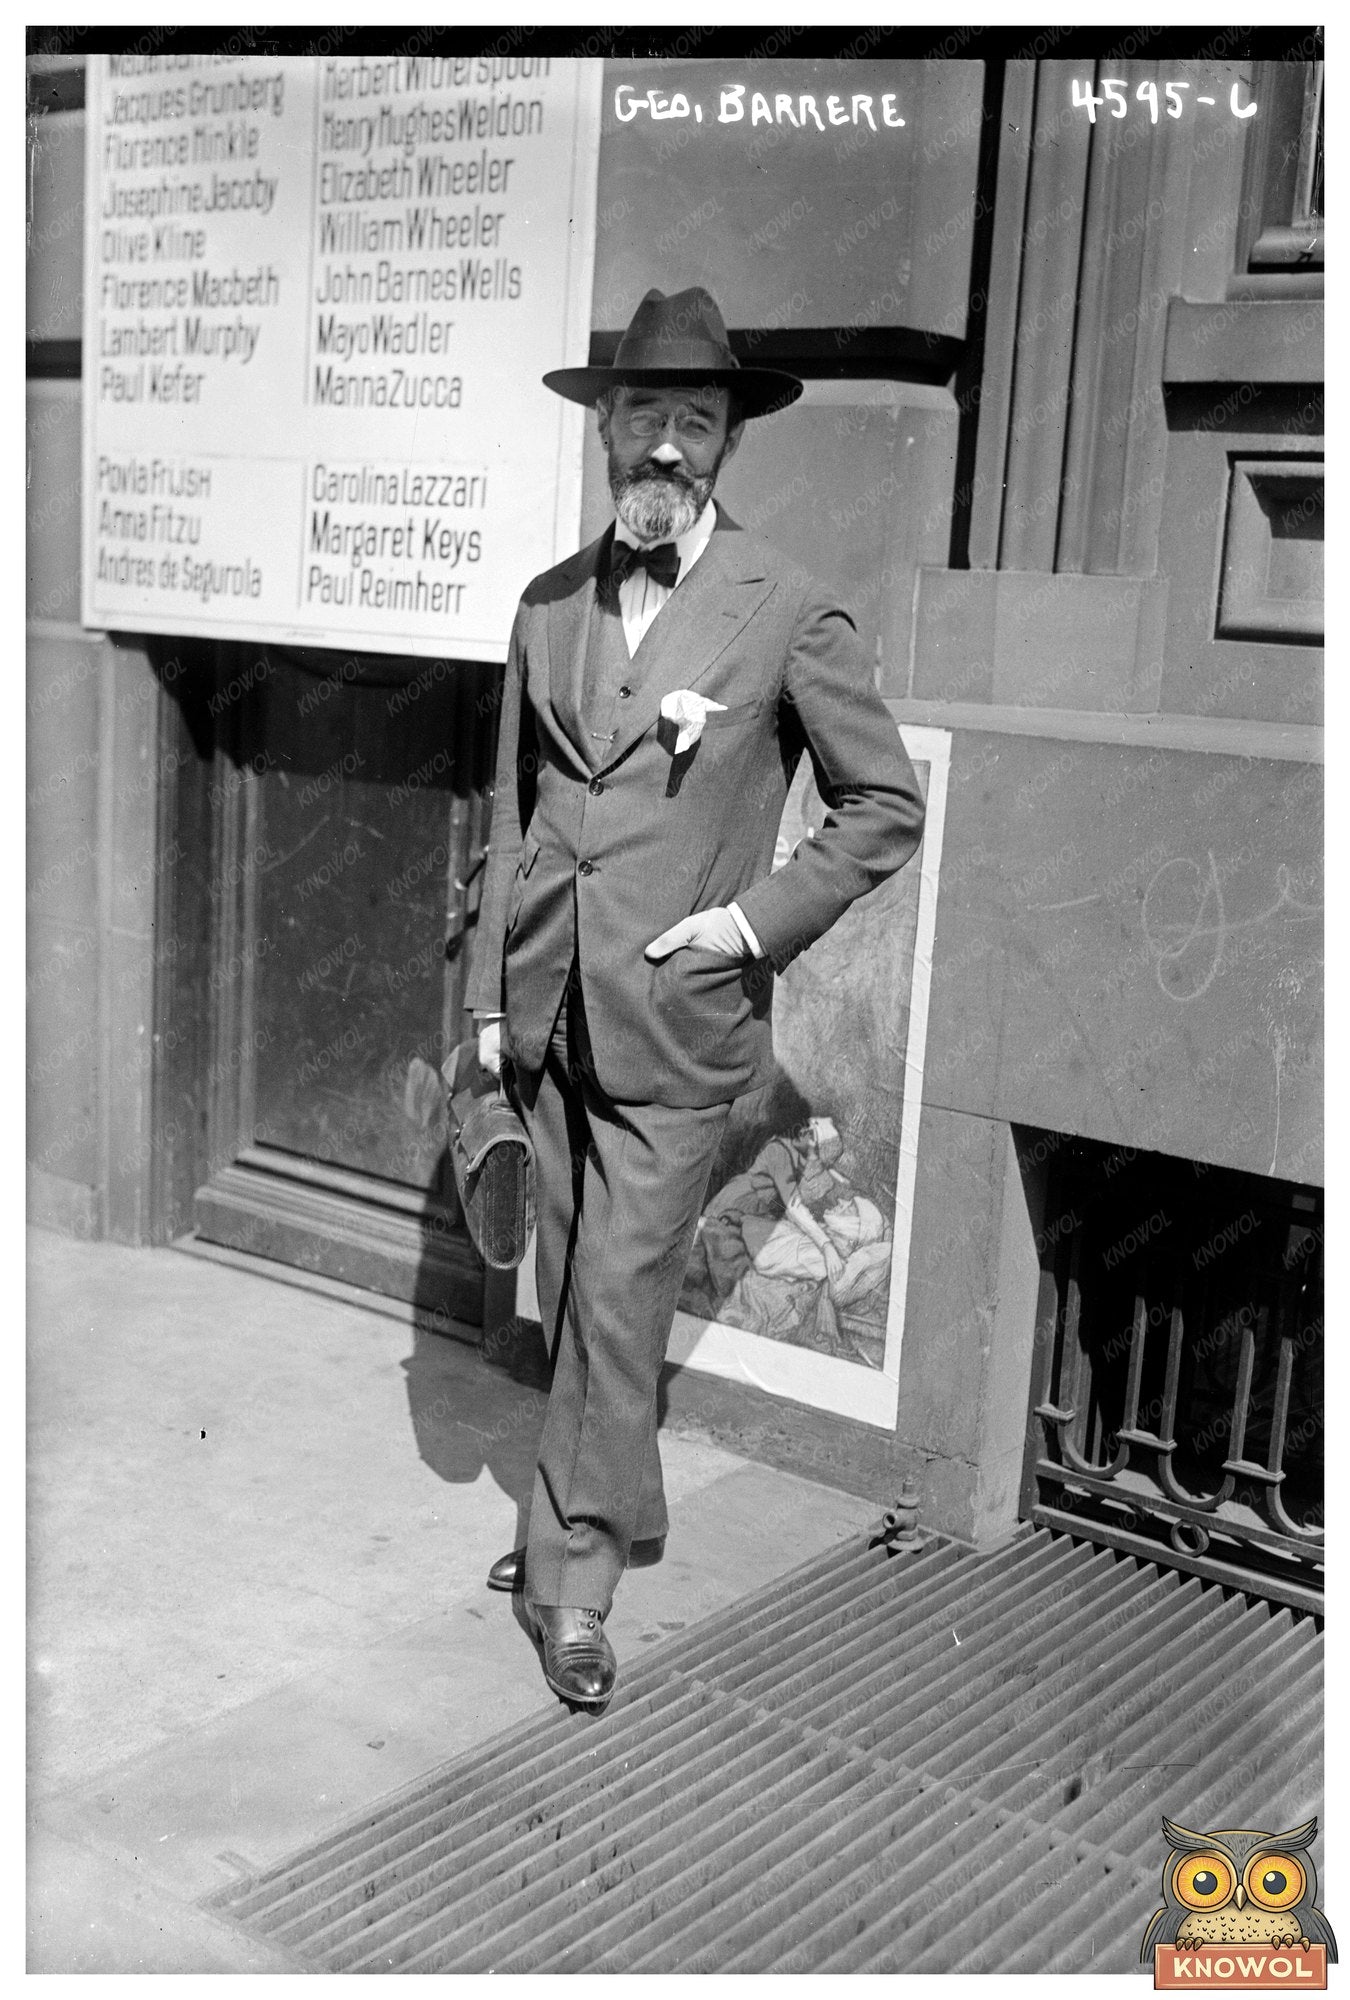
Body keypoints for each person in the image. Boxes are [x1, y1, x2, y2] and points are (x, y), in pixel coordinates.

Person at [463, 285, 926, 1712]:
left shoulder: (788, 605)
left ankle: (575, 1579)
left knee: (618, 1293)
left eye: (699, 423)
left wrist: (747, 924)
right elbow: (510, 808)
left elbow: (881, 807)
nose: (668, 446)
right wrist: (486, 1004)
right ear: (605, 427)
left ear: (730, 443)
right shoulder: (548, 604)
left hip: (679, 1012)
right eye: (646, 416)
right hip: (545, 1000)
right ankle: (603, 1496)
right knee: (569, 1287)